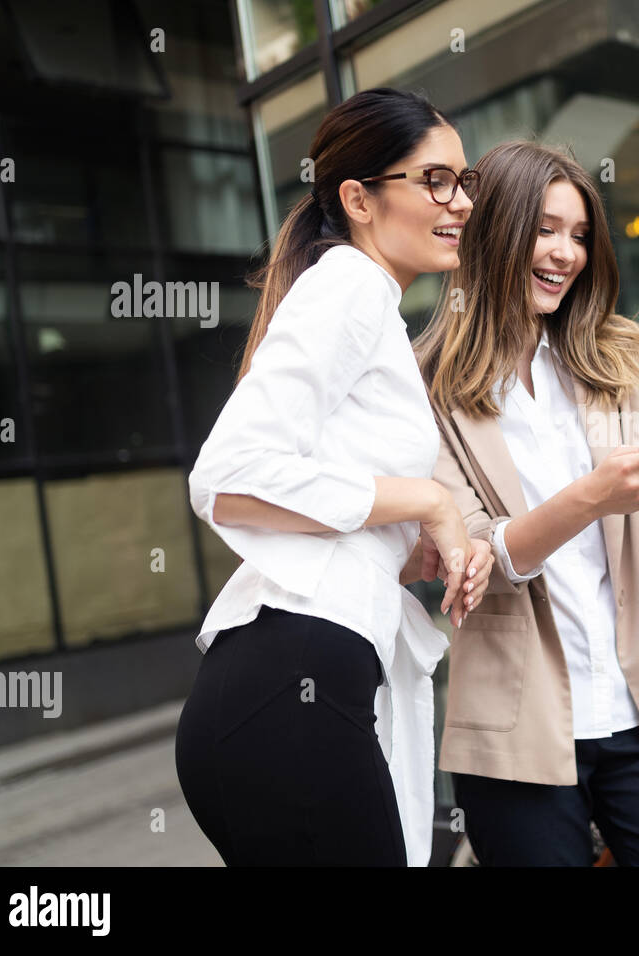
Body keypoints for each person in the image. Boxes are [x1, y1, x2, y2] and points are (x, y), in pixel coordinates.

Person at [416, 140, 639, 866]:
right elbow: (473, 557)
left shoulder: (616, 357)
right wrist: (591, 496)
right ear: (493, 231)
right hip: (515, 733)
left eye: (580, 235)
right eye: (545, 229)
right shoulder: (427, 385)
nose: (566, 253)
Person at [174, 89, 494, 866]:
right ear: (357, 198)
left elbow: (322, 501)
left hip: (281, 692)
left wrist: (416, 548)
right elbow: (228, 474)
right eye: (435, 181)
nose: (461, 203)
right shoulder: (348, 285)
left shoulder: (367, 302)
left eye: (466, 180)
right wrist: (429, 501)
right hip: (287, 690)